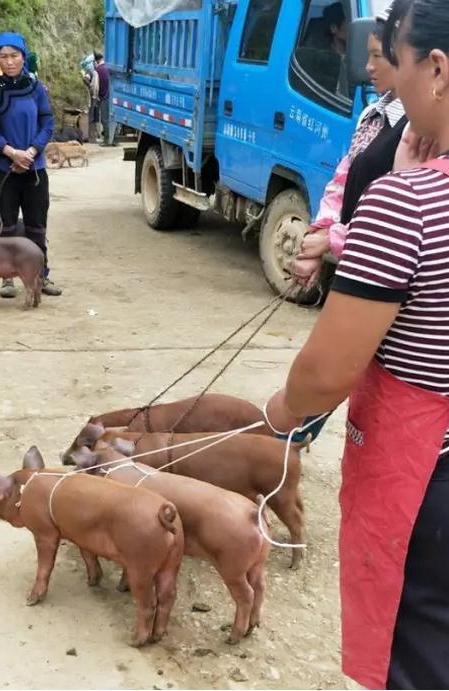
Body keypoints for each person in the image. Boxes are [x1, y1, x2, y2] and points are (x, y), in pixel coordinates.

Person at [264, 0, 449, 686]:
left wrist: (278, 413)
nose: (390, 84)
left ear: (435, 69)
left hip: (426, 475)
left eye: (394, 63)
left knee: (420, 649)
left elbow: (326, 371)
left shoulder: (407, 204)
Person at [294, 13, 407, 287]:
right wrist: (319, 234)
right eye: (366, 56)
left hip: (388, 278)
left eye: (377, 57)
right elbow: (341, 184)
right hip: (355, 266)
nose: (368, 67)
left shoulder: (421, 128)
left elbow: (399, 223)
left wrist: (332, 240)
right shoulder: (372, 114)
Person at [0, 31, 61, 298]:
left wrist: (32, 151)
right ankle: (8, 279)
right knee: (6, 225)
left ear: (24, 57)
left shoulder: (36, 88)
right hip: (4, 168)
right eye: (4, 57)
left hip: (34, 168)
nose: (10, 61)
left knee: (37, 224)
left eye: (15, 56)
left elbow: (47, 123)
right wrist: (11, 152)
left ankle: (41, 275)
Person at [82, 54, 100, 144]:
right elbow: (85, 79)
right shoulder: (90, 72)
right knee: (92, 117)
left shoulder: (91, 71)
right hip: (93, 97)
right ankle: (92, 138)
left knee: (94, 116)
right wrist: (90, 87)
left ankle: (94, 136)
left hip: (93, 97)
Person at [94, 51, 111, 145]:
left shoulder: (98, 70)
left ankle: (107, 140)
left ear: (96, 60)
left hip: (103, 96)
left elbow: (96, 86)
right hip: (110, 95)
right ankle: (114, 139)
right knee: (111, 117)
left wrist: (97, 97)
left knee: (104, 119)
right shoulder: (108, 67)